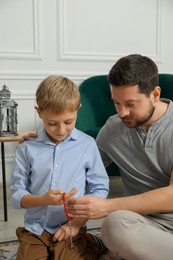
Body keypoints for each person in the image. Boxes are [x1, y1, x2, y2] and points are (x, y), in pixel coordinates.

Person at [67, 54, 173, 260]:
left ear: (155, 94)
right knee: (114, 225)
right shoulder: (114, 127)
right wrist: (48, 140)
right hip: (141, 224)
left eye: (131, 104)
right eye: (117, 103)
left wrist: (107, 206)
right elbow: (82, 168)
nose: (122, 112)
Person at [10, 75, 109, 260]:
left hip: (71, 226)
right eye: (52, 123)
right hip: (36, 229)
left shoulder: (87, 145)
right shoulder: (27, 148)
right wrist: (42, 200)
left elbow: (100, 188)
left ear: (78, 110)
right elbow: (17, 194)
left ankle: (92, 243)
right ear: (39, 112)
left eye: (69, 122)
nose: (61, 130)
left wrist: (77, 225)